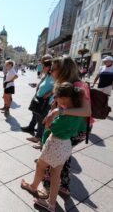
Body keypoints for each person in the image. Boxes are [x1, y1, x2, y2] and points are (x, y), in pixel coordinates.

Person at [21, 82, 86, 212]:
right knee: (56, 176)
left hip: (55, 144)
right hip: (66, 145)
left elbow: (48, 126)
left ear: (65, 98)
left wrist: (52, 111)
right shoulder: (77, 112)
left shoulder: (64, 115)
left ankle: (33, 186)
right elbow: (79, 128)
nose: (55, 99)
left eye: (57, 97)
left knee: (40, 165)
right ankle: (51, 204)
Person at [40, 56, 92, 198]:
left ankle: (47, 187)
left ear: (63, 70)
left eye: (53, 69)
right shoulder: (65, 83)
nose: (51, 72)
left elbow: (87, 111)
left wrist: (59, 111)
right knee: (63, 155)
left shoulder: (78, 86)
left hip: (75, 128)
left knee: (52, 154)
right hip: (68, 125)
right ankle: (63, 186)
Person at [21, 55, 54, 148]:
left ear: (49, 67)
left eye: (44, 66)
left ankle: (39, 138)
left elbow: (57, 86)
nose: (42, 68)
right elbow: (44, 84)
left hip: (46, 101)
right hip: (40, 99)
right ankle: (38, 136)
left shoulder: (53, 76)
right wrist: (37, 85)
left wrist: (48, 94)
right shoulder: (47, 75)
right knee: (38, 117)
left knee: (41, 120)